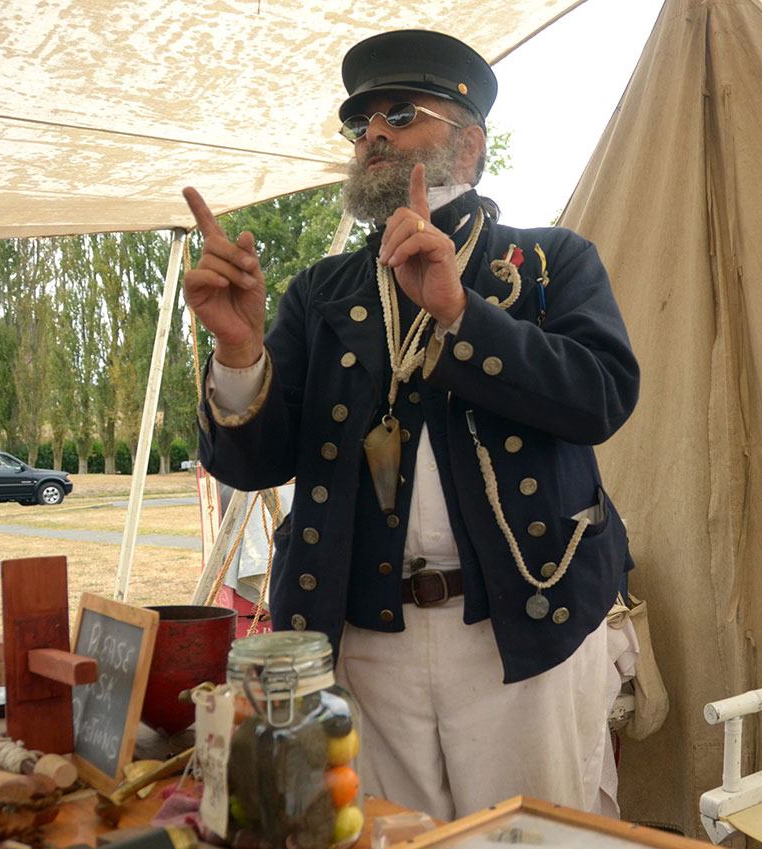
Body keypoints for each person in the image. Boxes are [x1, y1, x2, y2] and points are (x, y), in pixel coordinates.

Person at [182, 29, 640, 821]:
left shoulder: (547, 263)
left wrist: (463, 313)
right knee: (389, 840)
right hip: (365, 640)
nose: (374, 136)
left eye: (398, 113)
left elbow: (603, 396)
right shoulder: (321, 293)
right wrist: (237, 346)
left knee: (531, 841)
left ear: (470, 140)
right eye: (360, 125)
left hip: (521, 632)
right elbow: (253, 464)